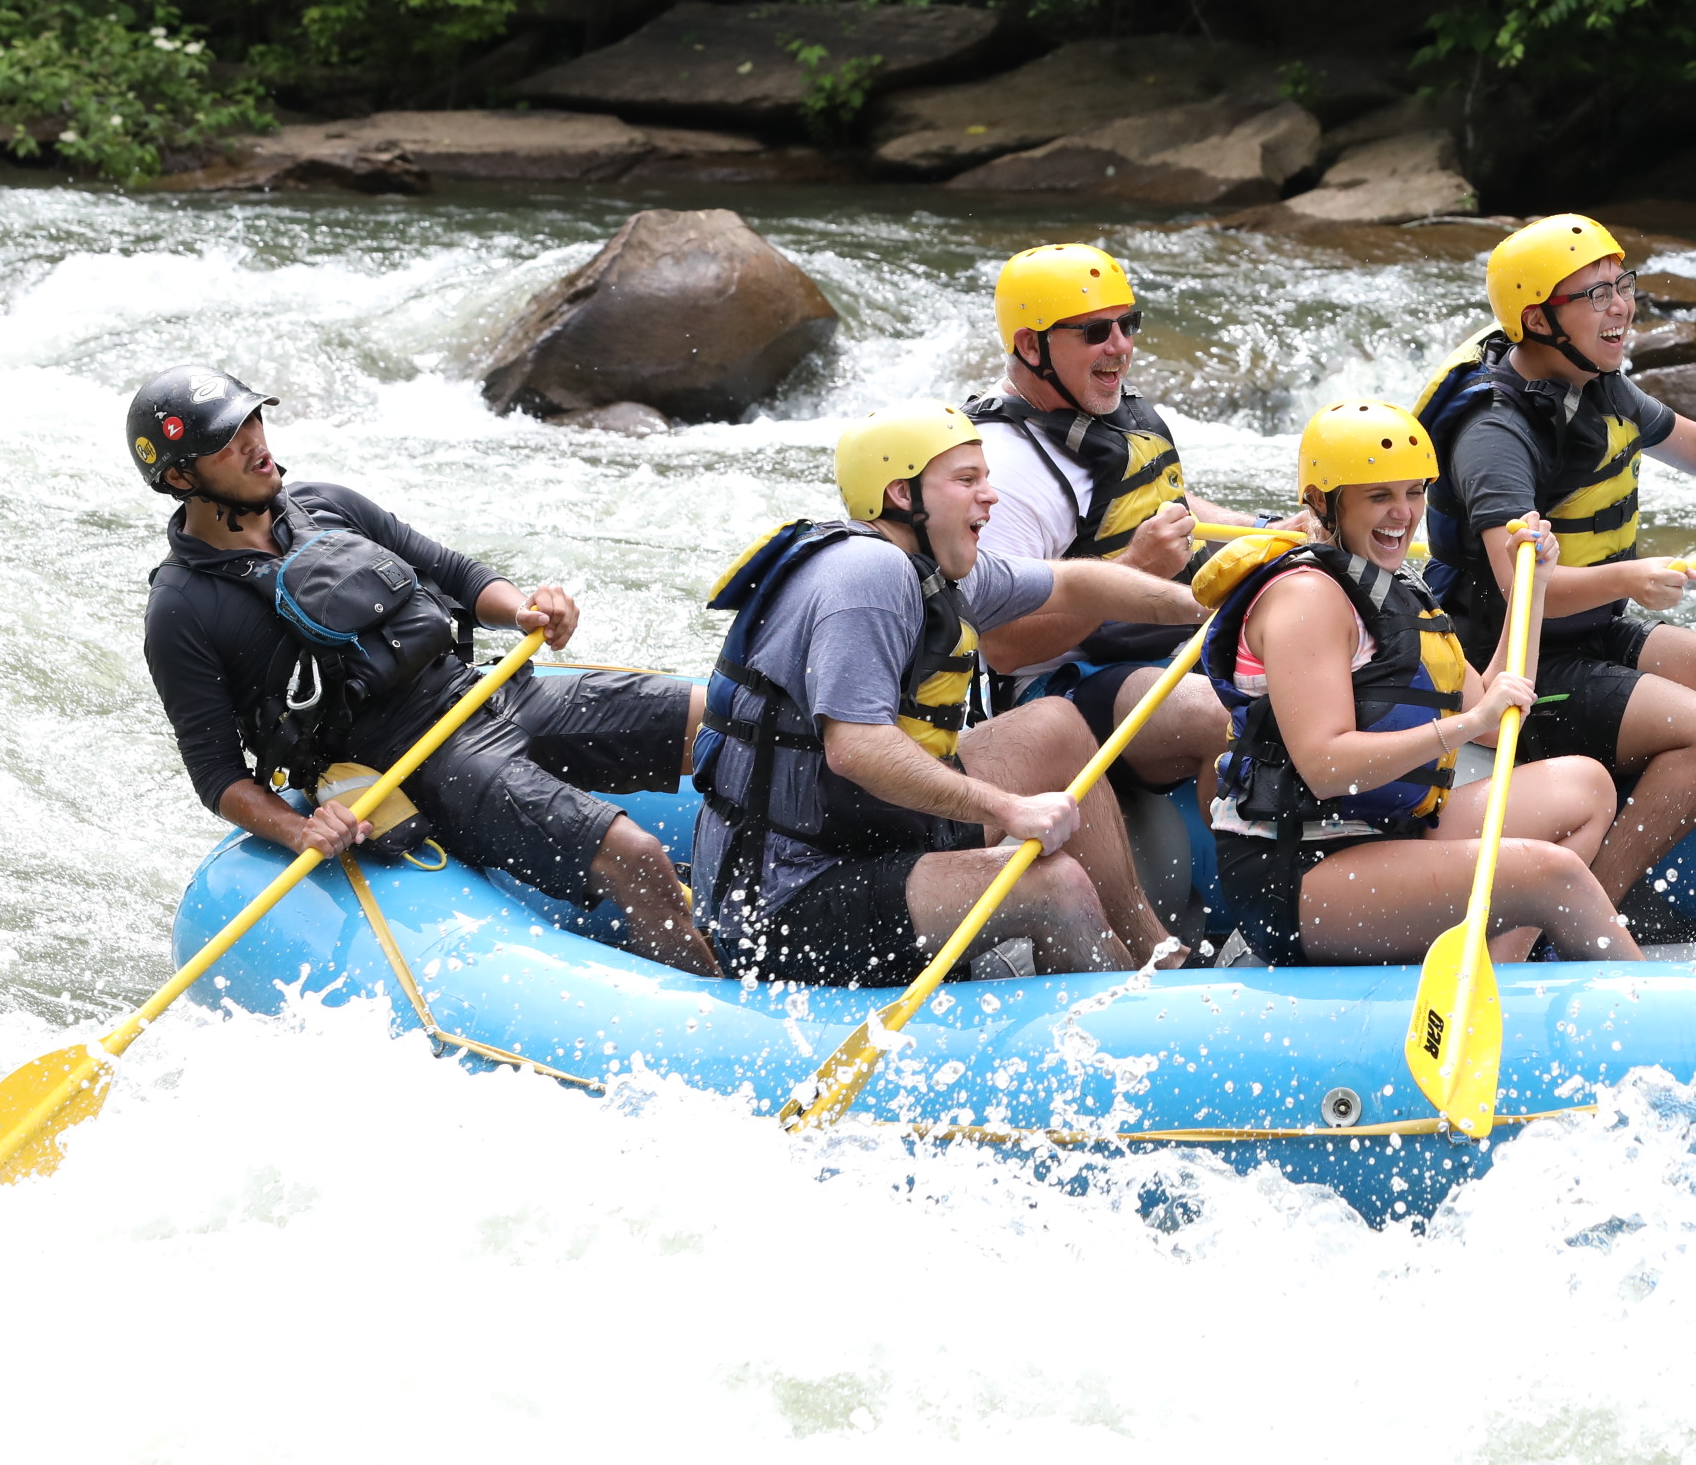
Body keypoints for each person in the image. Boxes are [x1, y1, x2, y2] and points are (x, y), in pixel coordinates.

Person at [130, 366, 719, 975]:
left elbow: (456, 574)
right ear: (179, 476)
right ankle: (717, 1013)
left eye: (254, 419)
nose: (256, 441)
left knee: (728, 719)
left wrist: (521, 610)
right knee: (637, 854)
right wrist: (297, 829)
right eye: (229, 438)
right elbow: (215, 772)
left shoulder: (324, 504)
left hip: (486, 695)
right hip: (425, 766)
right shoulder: (181, 610)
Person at [1418, 215, 1696, 907]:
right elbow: (1519, 583)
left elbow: (1693, 446)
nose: (1622, 306)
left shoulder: (1592, 380)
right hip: (1516, 667)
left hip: (1588, 635)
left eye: (1620, 285)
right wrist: (1628, 578)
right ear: (1539, 319)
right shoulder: (1496, 434)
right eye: (1594, 296)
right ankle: (1593, 900)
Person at [691, 404, 1207, 984]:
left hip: (866, 830)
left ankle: (1160, 959)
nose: (990, 496)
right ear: (901, 494)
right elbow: (856, 749)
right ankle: (1118, 1034)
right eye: (966, 480)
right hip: (788, 898)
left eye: (985, 477)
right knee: (1052, 884)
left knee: (1053, 727)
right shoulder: (868, 576)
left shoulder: (934, 566)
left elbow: (1074, 582)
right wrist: (1008, 809)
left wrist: (1207, 602)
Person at [1198, 400, 1639, 967]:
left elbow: (1501, 712)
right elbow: (1326, 766)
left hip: (1386, 831)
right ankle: (1649, 1001)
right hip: (1300, 870)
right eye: (1379, 496)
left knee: (1584, 786)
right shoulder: (1306, 597)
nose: (1403, 514)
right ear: (1321, 503)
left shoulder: (1389, 586)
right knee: (1549, 873)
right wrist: (1462, 726)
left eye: (1413, 492)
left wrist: (1536, 589)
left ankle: (1494, 975)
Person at [966, 243, 1302, 799]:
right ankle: (1246, 876)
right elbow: (1004, 646)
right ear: (1031, 345)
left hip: (1159, 644)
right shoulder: (1003, 472)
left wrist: (1267, 532)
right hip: (1057, 686)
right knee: (1221, 713)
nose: (1120, 346)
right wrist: (1134, 566)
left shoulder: (1107, 409)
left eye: (1128, 324)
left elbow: (1170, 507)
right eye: (1094, 332)